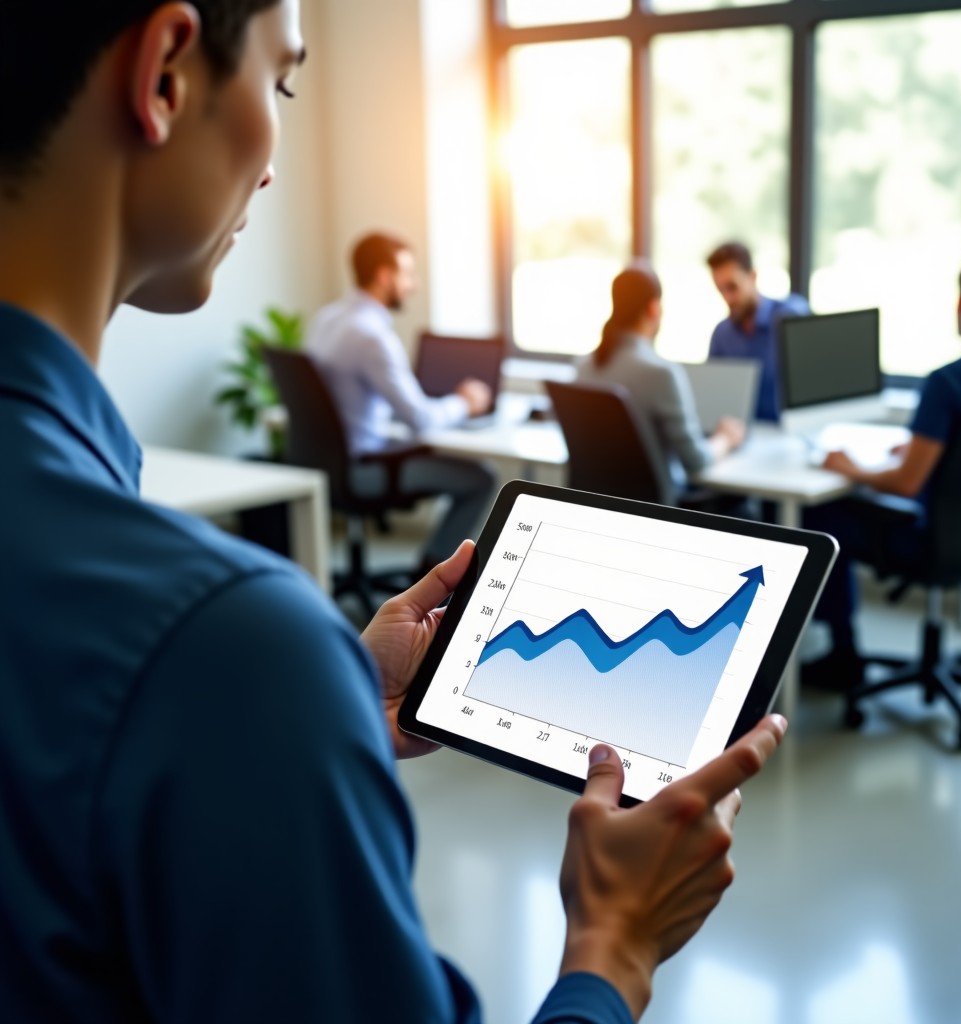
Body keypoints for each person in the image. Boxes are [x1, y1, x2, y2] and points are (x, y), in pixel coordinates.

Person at [0, 2, 787, 1021]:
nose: (275, 162)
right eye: (282, 84)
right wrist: (614, 946)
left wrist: (323, 709)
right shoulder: (217, 645)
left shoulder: (200, 656)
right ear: (164, 76)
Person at [803, 243, 961, 690]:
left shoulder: (947, 381)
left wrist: (851, 469)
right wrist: (922, 447)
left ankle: (843, 655)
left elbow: (906, 485)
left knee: (819, 517)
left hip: (930, 539)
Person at [308, 232, 496, 570]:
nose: (414, 284)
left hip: (327, 465)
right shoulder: (372, 335)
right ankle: (432, 576)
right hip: (366, 470)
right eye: (408, 274)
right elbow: (420, 419)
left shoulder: (327, 319)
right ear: (385, 276)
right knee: (481, 478)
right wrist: (465, 403)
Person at [577, 263, 746, 500]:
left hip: (595, 505)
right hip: (654, 511)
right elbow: (696, 462)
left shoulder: (583, 367)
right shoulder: (661, 374)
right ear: (654, 309)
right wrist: (725, 439)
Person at [707, 240, 810, 423]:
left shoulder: (788, 316)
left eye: (732, 287)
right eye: (720, 290)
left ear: (752, 276)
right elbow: (714, 396)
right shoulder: (722, 334)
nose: (727, 298)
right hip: (746, 435)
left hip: (789, 431)